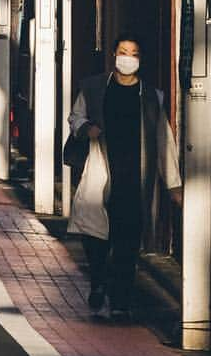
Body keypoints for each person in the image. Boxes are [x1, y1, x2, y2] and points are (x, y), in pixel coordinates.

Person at [66, 33, 182, 319]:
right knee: (95, 238)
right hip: (100, 170)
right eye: (122, 51)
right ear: (114, 55)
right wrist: (85, 128)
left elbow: (163, 140)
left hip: (135, 179)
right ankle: (98, 281)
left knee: (128, 243)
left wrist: (173, 184)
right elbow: (76, 116)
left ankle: (120, 302)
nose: (126, 58)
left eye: (133, 53)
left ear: (139, 60)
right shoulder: (94, 88)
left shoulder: (152, 97)